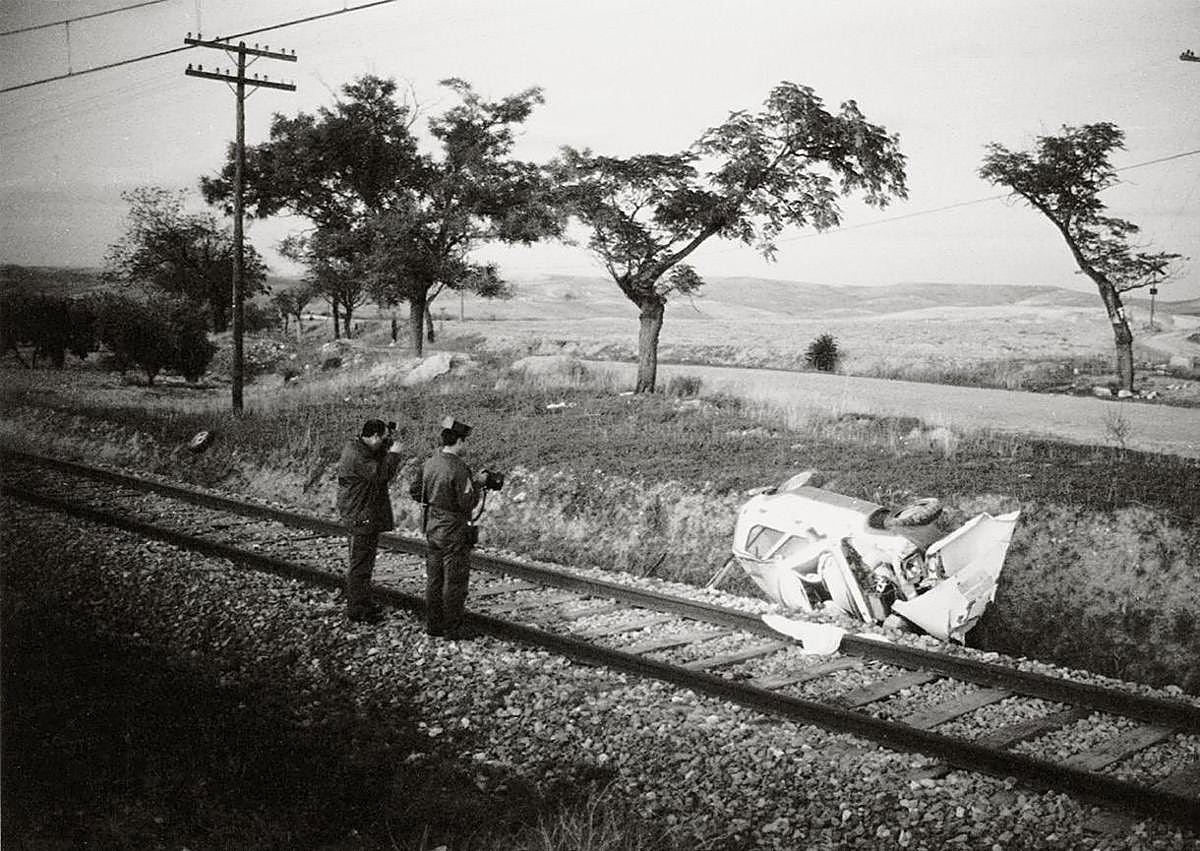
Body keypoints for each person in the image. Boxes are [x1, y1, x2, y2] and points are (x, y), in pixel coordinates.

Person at [409, 417, 484, 639]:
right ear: (459, 441)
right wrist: (478, 483)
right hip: (453, 530)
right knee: (455, 580)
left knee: (434, 579)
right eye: (465, 442)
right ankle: (453, 627)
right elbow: (467, 503)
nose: (466, 446)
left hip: (433, 526)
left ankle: (433, 624)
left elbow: (415, 491)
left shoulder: (430, 462)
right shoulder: (459, 468)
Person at [336, 418, 404, 623]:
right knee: (360, 566)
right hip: (360, 515)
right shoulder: (358, 455)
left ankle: (362, 603)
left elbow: (375, 460)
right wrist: (394, 454)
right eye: (382, 439)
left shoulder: (358, 447)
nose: (384, 442)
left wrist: (386, 447)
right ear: (374, 436)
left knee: (363, 563)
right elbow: (380, 474)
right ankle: (357, 609)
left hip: (362, 513)